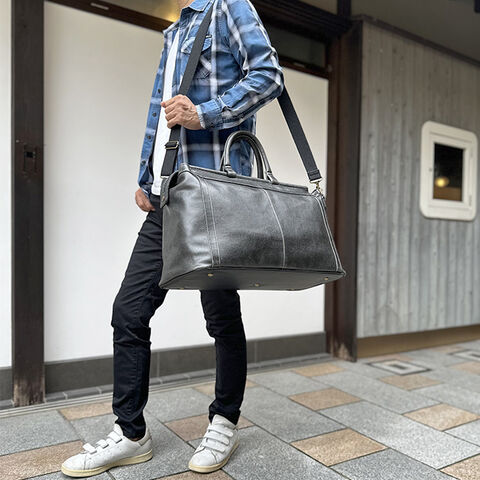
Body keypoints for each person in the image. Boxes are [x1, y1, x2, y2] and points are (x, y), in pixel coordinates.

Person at [61, 0, 284, 476]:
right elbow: (161, 115)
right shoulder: (173, 31)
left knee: (220, 316)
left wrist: (205, 113)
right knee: (129, 310)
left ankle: (224, 421)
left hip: (215, 194)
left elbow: (268, 76)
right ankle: (130, 434)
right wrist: (148, 177)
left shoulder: (229, 7)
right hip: (170, 195)